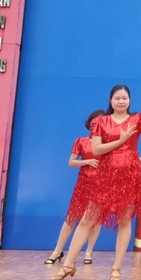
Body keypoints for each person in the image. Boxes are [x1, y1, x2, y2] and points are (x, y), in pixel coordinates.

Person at [51, 86, 141, 280]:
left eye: (125, 98)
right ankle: (68, 264)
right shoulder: (100, 122)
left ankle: (116, 268)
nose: (121, 101)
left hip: (129, 177)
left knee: (124, 221)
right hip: (105, 177)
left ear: (129, 100)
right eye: (117, 98)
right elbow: (97, 149)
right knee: (87, 220)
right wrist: (121, 140)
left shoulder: (137, 119)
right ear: (111, 100)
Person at [43, 110, 106, 266]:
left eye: (100, 122)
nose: (96, 125)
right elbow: (71, 162)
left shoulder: (107, 144)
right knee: (71, 218)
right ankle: (57, 251)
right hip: (83, 184)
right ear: (89, 124)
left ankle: (89, 252)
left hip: (101, 184)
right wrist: (86, 162)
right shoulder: (81, 141)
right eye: (94, 122)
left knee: (95, 220)